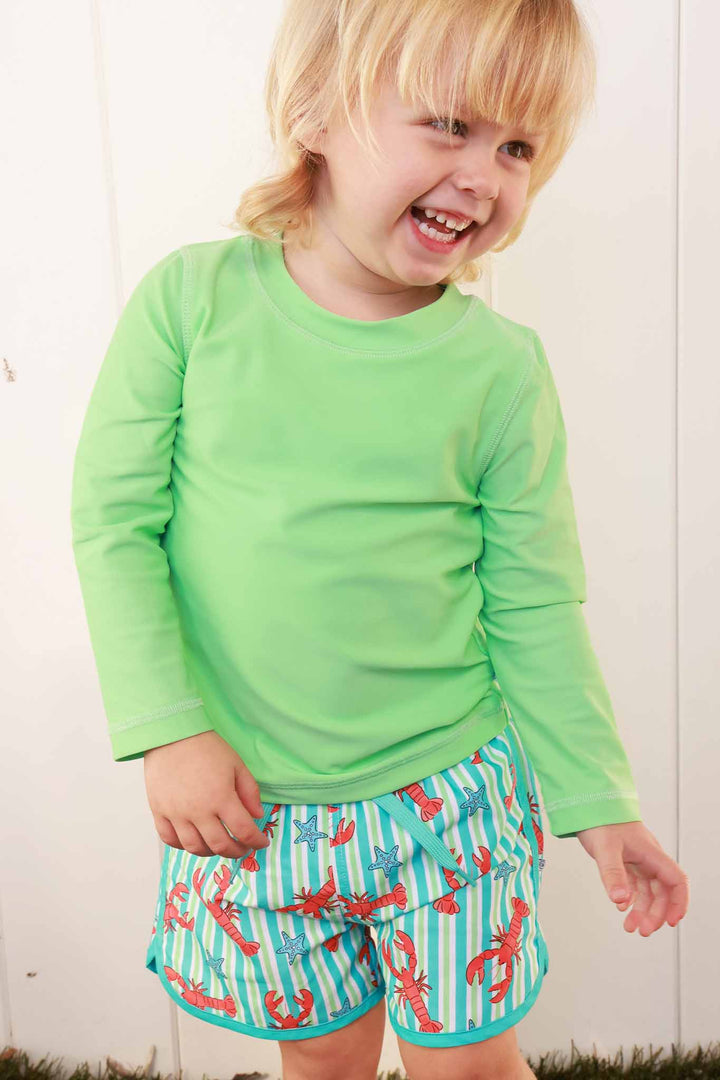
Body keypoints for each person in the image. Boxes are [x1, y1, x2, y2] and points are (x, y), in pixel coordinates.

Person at [70, 1, 690, 1078]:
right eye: (449, 125)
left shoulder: (499, 370)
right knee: (321, 1060)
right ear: (316, 112)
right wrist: (168, 732)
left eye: (517, 147)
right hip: (252, 804)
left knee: (468, 1066)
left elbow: (534, 602)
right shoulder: (191, 304)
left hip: (449, 800)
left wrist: (598, 800)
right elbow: (114, 525)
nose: (484, 177)